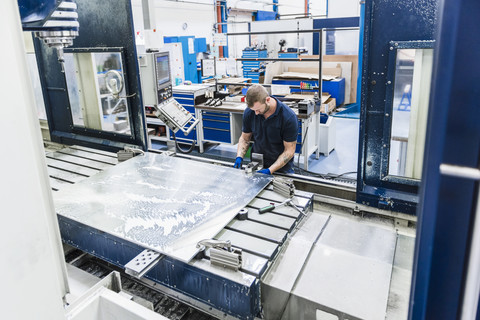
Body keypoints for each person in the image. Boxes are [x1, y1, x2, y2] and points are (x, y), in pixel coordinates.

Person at [233, 85, 298, 174]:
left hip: (281, 167)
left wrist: (269, 170)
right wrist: (239, 157)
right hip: (257, 163)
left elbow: (289, 151)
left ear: (267, 100)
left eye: (258, 109)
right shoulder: (250, 112)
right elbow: (245, 138)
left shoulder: (288, 117)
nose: (256, 113)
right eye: (253, 110)